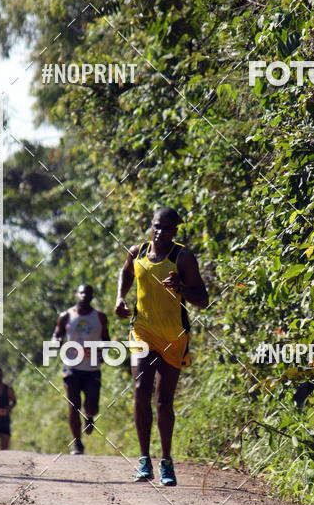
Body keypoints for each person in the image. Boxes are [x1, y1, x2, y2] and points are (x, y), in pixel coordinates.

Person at [115, 206, 208, 486]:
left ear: (175, 231)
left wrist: (181, 289)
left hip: (174, 336)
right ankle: (144, 461)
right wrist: (120, 298)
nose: (160, 232)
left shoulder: (184, 258)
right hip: (142, 331)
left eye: (167, 228)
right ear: (151, 226)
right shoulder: (137, 252)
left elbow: (202, 299)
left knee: (163, 402)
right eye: (156, 226)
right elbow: (127, 273)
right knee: (141, 390)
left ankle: (166, 461)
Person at [52, 283, 109, 455]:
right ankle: (77, 443)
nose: (84, 296)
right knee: (73, 405)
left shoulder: (99, 317)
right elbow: (57, 333)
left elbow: (106, 339)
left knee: (92, 405)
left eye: (88, 294)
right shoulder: (66, 316)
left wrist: (104, 353)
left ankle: (89, 416)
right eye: (81, 293)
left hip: (92, 368)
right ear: (76, 295)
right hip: (71, 367)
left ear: (92, 297)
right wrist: (56, 341)